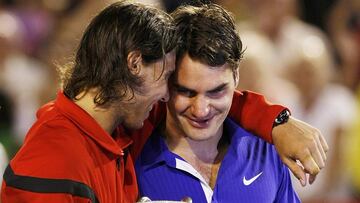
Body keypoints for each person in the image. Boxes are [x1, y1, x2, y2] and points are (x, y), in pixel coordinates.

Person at [1, 1, 326, 203]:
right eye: (176, 85)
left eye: (216, 91)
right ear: (135, 65)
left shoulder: (124, 132)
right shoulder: (79, 153)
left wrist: (276, 122)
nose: (200, 109)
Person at [135, 3, 300, 202]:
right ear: (166, 82)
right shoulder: (132, 160)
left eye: (216, 92)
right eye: (186, 92)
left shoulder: (265, 153)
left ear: (236, 76)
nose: (201, 110)